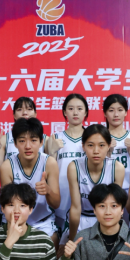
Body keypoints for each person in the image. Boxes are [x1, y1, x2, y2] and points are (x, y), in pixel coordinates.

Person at [61, 124, 125, 244]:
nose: (96, 151)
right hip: (81, 218)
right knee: (70, 251)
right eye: (90, 145)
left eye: (101, 145)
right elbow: (76, 208)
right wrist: (72, 241)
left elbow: (115, 207)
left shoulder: (117, 168)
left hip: (106, 218)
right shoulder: (74, 167)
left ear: (109, 146)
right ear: (83, 146)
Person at [0, 118, 60, 242]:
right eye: (22, 141)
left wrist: (48, 191)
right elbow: (8, 204)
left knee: (52, 241)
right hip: (15, 219)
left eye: (33, 140)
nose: (28, 146)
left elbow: (56, 204)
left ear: (41, 142)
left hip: (42, 221)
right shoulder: (7, 166)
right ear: (15, 143)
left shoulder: (49, 163)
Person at [46, 94, 87, 233]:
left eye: (79, 109)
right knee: (61, 238)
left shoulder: (92, 138)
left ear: (85, 112)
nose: (75, 113)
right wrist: (52, 152)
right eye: (71, 108)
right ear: (64, 112)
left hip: (85, 193)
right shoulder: (54, 138)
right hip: (62, 193)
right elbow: (48, 170)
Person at [0, 96, 48, 162]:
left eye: (29, 109)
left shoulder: (46, 140)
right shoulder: (4, 139)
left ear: (35, 114)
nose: (25, 113)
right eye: (19, 109)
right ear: (14, 115)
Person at [104, 94, 130, 193]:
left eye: (120, 110)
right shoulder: (100, 138)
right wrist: (108, 152)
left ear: (126, 112)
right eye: (111, 110)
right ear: (105, 113)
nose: (116, 114)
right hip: (107, 189)